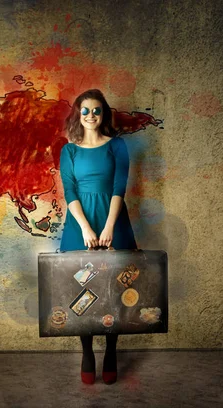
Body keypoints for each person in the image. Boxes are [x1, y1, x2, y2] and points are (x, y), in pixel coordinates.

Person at [59, 89, 138, 385]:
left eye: (97, 111)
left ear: (104, 114)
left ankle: (112, 350)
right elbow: (70, 191)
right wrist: (86, 228)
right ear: (78, 115)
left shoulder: (117, 146)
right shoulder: (69, 150)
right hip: (80, 223)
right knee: (81, 289)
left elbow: (120, 187)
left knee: (115, 287)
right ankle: (87, 352)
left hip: (113, 219)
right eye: (85, 110)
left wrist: (107, 227)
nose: (91, 115)